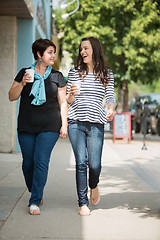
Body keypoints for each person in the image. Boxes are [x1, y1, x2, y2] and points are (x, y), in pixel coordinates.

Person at [8, 38, 68, 215]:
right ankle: (35, 189)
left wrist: (64, 125)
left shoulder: (57, 76)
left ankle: (34, 201)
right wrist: (23, 83)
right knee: (28, 164)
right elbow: (11, 96)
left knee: (41, 162)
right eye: (49, 52)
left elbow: (63, 102)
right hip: (26, 126)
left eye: (53, 52)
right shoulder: (24, 73)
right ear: (39, 55)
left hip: (50, 127)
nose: (53, 55)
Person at [66, 37, 116, 216]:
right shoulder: (74, 72)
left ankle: (93, 185)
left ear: (94, 49)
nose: (82, 52)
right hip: (76, 121)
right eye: (80, 49)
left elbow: (110, 97)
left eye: (85, 48)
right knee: (81, 163)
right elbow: (68, 100)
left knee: (94, 165)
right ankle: (82, 203)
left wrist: (110, 109)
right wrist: (70, 94)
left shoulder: (107, 74)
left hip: (96, 122)